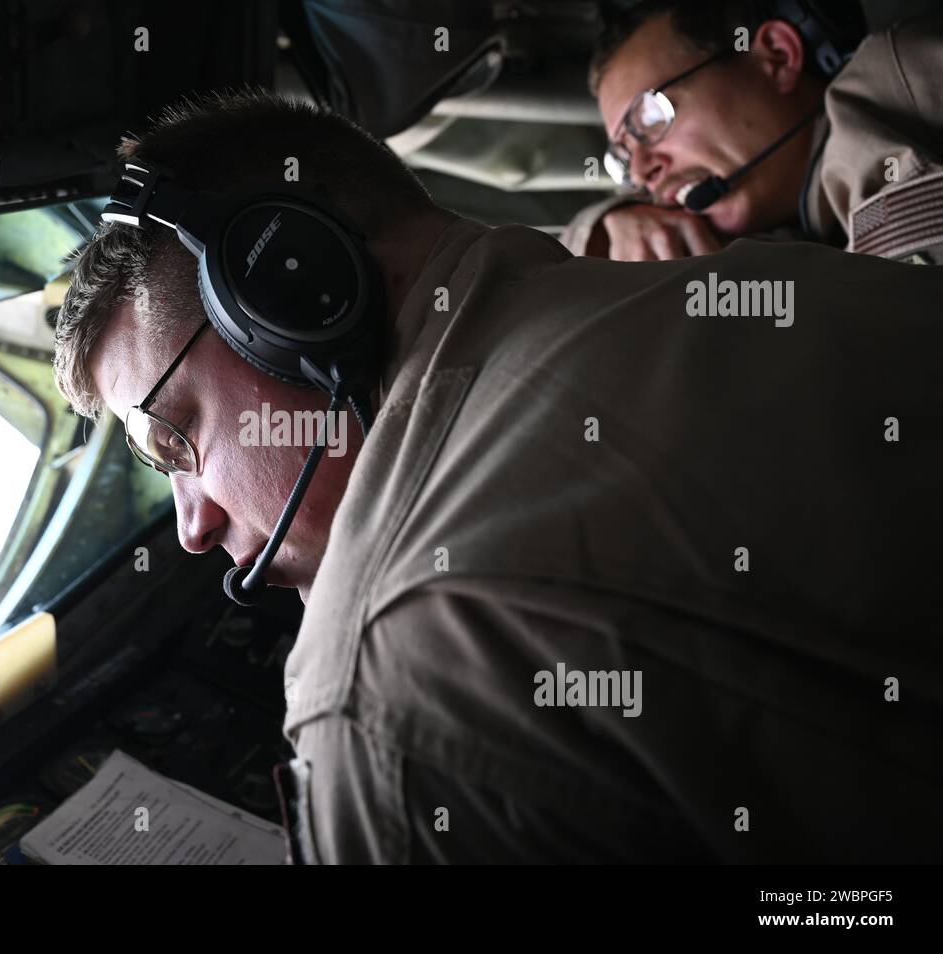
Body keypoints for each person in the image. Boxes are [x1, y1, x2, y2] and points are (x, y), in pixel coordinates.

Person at [53, 88, 943, 863]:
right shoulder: (767, 286)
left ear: (291, 298)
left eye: (175, 444)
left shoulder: (390, 688)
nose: (192, 526)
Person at [563, 1, 943, 263]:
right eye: (623, 161)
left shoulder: (898, 82)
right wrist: (606, 229)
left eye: (649, 119)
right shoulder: (794, 220)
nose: (642, 173)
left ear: (777, 57)